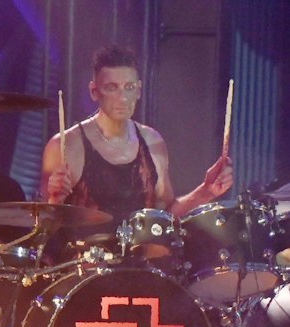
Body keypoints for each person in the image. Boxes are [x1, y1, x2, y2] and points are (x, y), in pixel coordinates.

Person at [40, 45, 234, 226]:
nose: (123, 98)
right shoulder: (66, 146)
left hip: (138, 253)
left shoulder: (152, 141)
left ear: (139, 91)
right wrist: (55, 199)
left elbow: (165, 216)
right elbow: (41, 230)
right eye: (112, 88)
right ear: (94, 91)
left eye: (129, 88)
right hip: (82, 252)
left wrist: (206, 191)